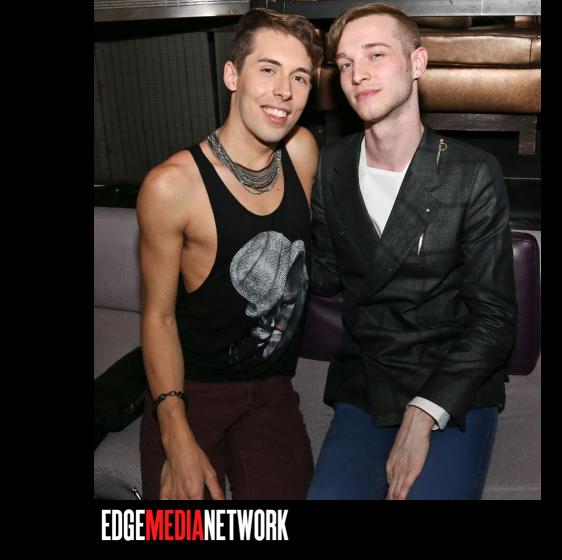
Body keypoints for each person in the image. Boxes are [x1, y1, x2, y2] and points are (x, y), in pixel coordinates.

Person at [307, 3, 518, 500]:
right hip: (366, 381)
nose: (358, 74)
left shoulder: (470, 171)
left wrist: (425, 411)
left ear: (417, 63)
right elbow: (323, 277)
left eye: (375, 54)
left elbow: (495, 319)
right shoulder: (332, 165)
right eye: (345, 63)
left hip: (453, 380)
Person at [135, 8, 322, 500]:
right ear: (232, 75)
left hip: (272, 388)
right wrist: (175, 431)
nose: (284, 91)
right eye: (268, 69)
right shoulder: (172, 187)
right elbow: (158, 318)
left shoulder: (302, 152)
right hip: (193, 389)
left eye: (299, 77)